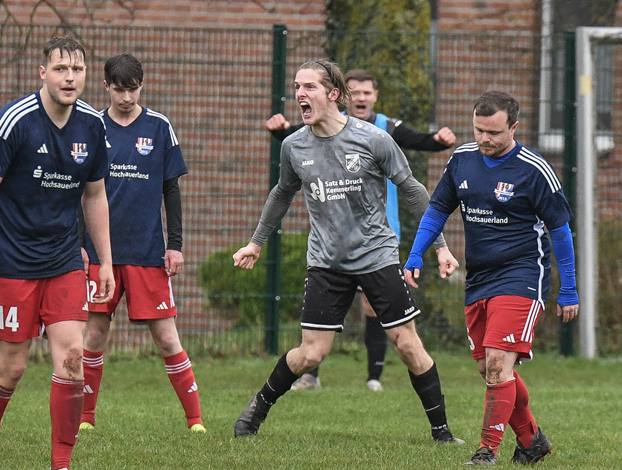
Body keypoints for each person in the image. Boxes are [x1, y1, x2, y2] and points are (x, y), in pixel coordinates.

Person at [231, 59, 464, 446]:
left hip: (377, 256)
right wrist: (256, 243)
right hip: (326, 262)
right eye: (297, 87)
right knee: (310, 355)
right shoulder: (294, 145)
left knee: (408, 345)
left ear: (333, 94)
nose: (300, 95)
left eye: (309, 88)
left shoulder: (373, 139)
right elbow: (282, 193)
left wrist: (439, 247)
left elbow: (413, 190)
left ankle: (442, 433)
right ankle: (257, 408)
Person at [0, 36, 114, 470]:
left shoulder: (92, 125)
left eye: (78, 70)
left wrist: (104, 260)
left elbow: (96, 196)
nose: (70, 77)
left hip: (64, 261)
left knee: (72, 360)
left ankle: (60, 466)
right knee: (10, 369)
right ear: (42, 73)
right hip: (9, 262)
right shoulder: (16, 120)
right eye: (61, 69)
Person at [404, 90, 579, 465]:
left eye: (494, 132)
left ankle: (486, 451)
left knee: (499, 365)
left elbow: (561, 232)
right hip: (479, 278)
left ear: (514, 127)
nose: (484, 139)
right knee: (491, 369)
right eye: (479, 130)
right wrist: (417, 252)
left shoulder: (535, 170)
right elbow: (437, 209)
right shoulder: (463, 160)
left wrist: (569, 288)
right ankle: (532, 441)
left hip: (522, 276)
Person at [264, 68, 457, 392]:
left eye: (367, 92)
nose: (362, 98)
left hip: (376, 245)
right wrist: (281, 131)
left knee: (395, 331)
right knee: (313, 346)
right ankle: (301, 380)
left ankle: (374, 378)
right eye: (297, 87)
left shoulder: (382, 132)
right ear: (344, 94)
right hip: (329, 254)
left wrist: (438, 142)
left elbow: (415, 154)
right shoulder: (305, 137)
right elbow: (295, 153)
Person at [79, 53, 204, 433]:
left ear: (141, 86)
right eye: (119, 90)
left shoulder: (159, 126)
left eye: (133, 89)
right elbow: (77, 192)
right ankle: (85, 419)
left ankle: (195, 421)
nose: (127, 98)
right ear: (106, 87)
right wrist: (78, 244)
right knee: (95, 334)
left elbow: (172, 189)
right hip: (100, 254)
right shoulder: (91, 126)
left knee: (167, 338)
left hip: (148, 252)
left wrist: (175, 244)